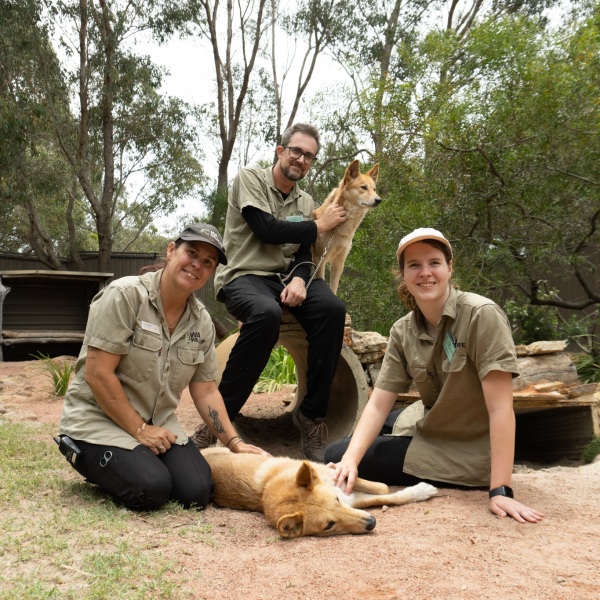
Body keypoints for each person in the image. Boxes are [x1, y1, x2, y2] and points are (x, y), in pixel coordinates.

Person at [325, 227, 544, 523]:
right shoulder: (403, 329)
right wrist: (351, 459)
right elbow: (378, 404)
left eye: (434, 263)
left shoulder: (482, 315)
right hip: (433, 417)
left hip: (466, 445)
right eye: (414, 265)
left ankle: (452, 469)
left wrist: (500, 489)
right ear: (403, 274)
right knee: (349, 450)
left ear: (449, 268)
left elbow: (500, 407)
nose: (425, 273)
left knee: (333, 453)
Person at [57, 223, 267, 511]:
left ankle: (136, 461)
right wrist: (140, 430)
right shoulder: (125, 296)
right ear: (171, 250)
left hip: (158, 426)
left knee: (197, 492)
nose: (197, 265)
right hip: (99, 421)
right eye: (191, 253)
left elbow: (205, 391)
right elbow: (97, 373)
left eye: (208, 262)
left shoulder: (201, 321)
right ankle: (80, 452)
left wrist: (234, 443)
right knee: (151, 489)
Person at [191, 123, 347, 462]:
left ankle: (312, 416)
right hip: (244, 276)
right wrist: (319, 225)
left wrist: (301, 279)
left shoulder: (304, 200)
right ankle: (217, 420)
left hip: (286, 278)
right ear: (280, 151)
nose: (302, 160)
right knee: (266, 314)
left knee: (332, 310)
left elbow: (304, 252)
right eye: (296, 151)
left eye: (309, 156)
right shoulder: (250, 178)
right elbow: (265, 229)